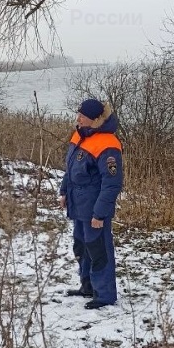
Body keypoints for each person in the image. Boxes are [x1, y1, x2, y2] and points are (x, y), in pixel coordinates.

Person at [59, 99, 123, 309]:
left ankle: (104, 294)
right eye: (78, 113)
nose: (78, 118)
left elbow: (111, 184)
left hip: (95, 209)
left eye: (83, 116)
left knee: (98, 250)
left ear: (96, 120)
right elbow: (71, 169)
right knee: (81, 246)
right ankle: (87, 286)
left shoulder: (108, 144)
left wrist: (100, 213)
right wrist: (63, 192)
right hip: (78, 206)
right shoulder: (79, 135)